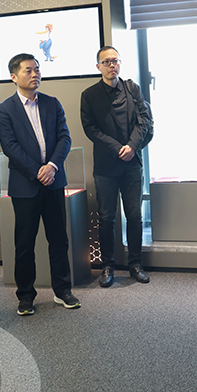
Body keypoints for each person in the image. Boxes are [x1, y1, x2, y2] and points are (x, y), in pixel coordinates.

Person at [0, 53, 79, 315]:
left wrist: (51, 166)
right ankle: (25, 296)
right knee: (24, 244)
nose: (35, 74)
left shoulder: (52, 103)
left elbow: (65, 138)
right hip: (25, 186)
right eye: (28, 70)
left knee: (59, 240)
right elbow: (10, 147)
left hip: (53, 182)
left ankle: (62, 290)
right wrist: (37, 171)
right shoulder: (4, 109)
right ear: (14, 76)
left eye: (37, 69)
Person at [80, 46, 151, 287]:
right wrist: (117, 148)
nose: (112, 65)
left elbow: (144, 120)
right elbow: (90, 128)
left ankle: (135, 264)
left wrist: (131, 146)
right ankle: (108, 266)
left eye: (115, 61)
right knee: (106, 218)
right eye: (107, 62)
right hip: (106, 167)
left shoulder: (132, 89)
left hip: (132, 164)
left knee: (135, 216)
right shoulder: (89, 95)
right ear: (98, 66)